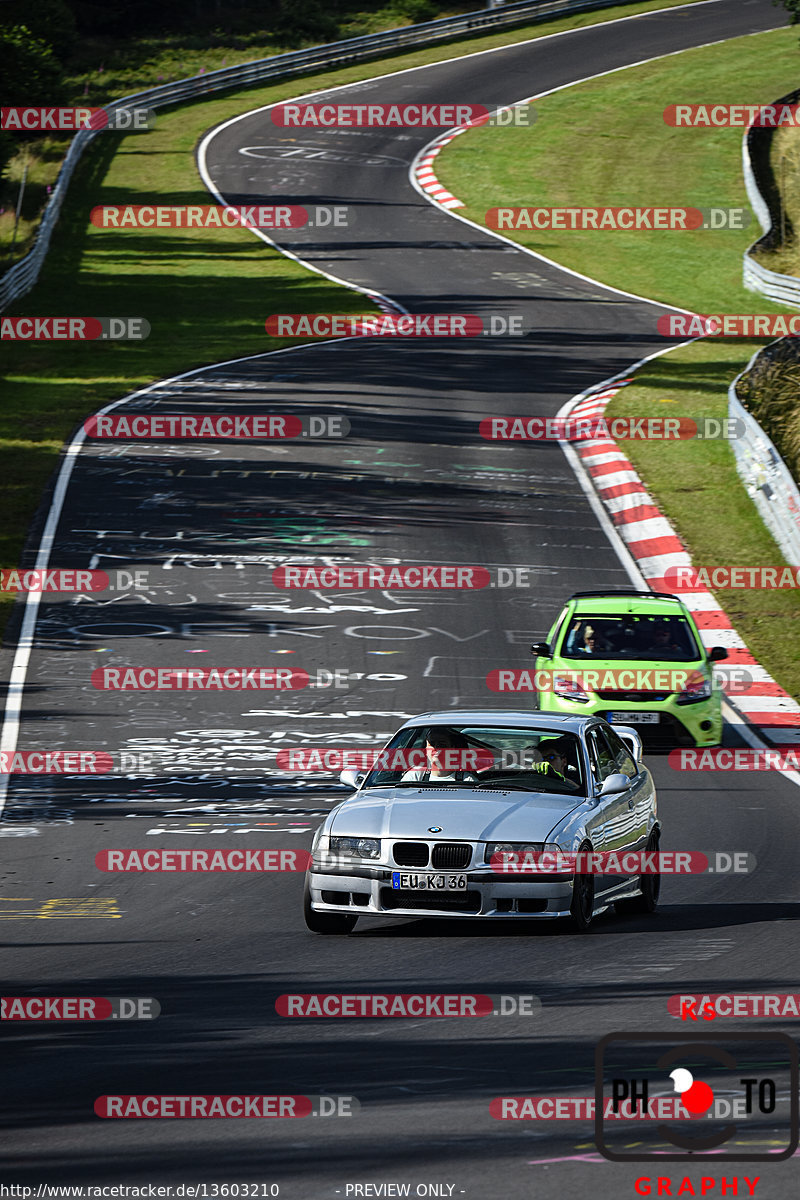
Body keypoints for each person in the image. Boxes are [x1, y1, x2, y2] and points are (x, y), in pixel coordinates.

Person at [401, 728, 478, 782]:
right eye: (432, 744)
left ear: (452, 749)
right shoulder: (415, 776)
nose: (436, 747)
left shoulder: (468, 780)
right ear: (426, 749)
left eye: (442, 744)